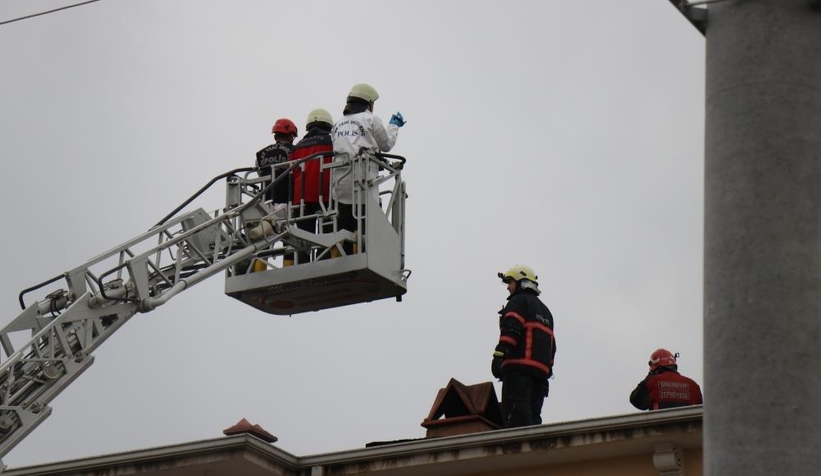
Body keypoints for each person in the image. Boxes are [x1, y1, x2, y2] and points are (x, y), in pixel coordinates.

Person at [331, 83, 405, 254]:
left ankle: (339, 257)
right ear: (369, 103)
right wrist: (394, 126)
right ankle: (363, 254)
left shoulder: (337, 124)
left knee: (344, 225)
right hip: (363, 183)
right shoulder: (370, 119)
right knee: (365, 225)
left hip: (340, 186)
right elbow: (386, 144)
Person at [491, 264, 557, 428]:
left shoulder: (518, 302)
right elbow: (552, 346)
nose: (507, 287)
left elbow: (511, 331)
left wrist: (498, 357)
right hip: (540, 376)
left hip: (518, 372)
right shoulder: (546, 311)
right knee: (534, 421)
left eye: (510, 282)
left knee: (516, 421)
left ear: (521, 282)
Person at [288, 108, 335, 264]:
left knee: (303, 238)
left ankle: (302, 265)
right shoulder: (332, 141)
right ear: (328, 126)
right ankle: (324, 263)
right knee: (326, 234)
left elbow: (292, 171)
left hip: (301, 199)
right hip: (326, 196)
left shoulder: (297, 147)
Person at [629, 348, 703, 411]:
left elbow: (635, 400)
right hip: (691, 427)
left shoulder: (652, 381)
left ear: (655, 368)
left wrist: (649, 376)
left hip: (659, 426)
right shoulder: (693, 385)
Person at [256, 118, 298, 209]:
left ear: (275, 137)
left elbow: (260, 174)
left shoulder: (260, 154)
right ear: (290, 135)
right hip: (287, 201)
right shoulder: (295, 150)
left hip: (266, 203)